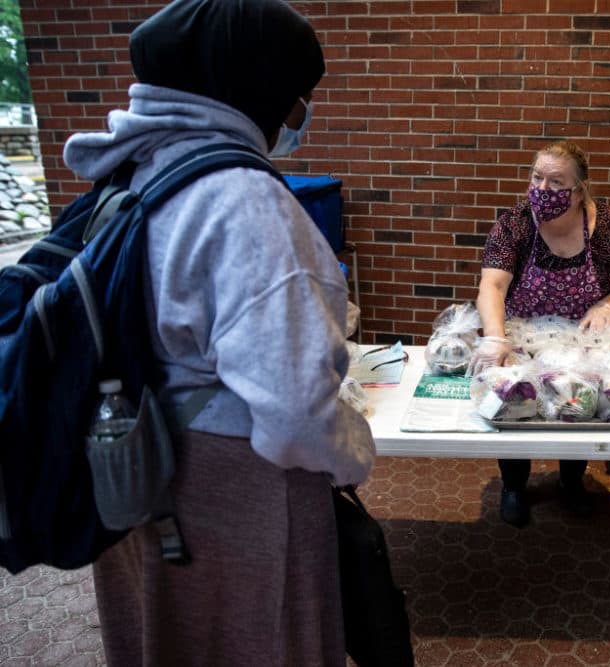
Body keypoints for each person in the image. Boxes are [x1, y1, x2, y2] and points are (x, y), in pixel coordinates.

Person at [61, 0, 376, 663]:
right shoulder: (247, 202)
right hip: (235, 502)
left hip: (130, 467)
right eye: (297, 102)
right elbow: (295, 418)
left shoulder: (131, 176)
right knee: (266, 641)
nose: (299, 119)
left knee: (160, 637)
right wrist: (356, 449)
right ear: (259, 93)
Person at [471, 140, 610, 527]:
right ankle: (513, 485)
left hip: (581, 341)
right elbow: (494, 286)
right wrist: (496, 336)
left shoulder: (609, 226)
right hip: (524, 335)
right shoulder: (514, 223)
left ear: (580, 189)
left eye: (556, 181)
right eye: (537, 178)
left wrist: (607, 305)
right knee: (514, 403)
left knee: (576, 402)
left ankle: (571, 480)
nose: (543, 189)